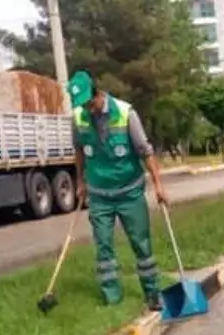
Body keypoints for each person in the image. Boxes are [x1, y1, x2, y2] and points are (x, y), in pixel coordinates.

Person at [67, 70, 168, 309]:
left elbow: (146, 152)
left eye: (89, 103)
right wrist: (80, 182)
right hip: (99, 195)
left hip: (129, 192)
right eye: (81, 105)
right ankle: (112, 299)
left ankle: (153, 293)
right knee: (103, 246)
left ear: (97, 93)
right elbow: (79, 151)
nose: (87, 109)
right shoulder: (78, 117)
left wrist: (158, 186)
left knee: (141, 243)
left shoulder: (125, 113)